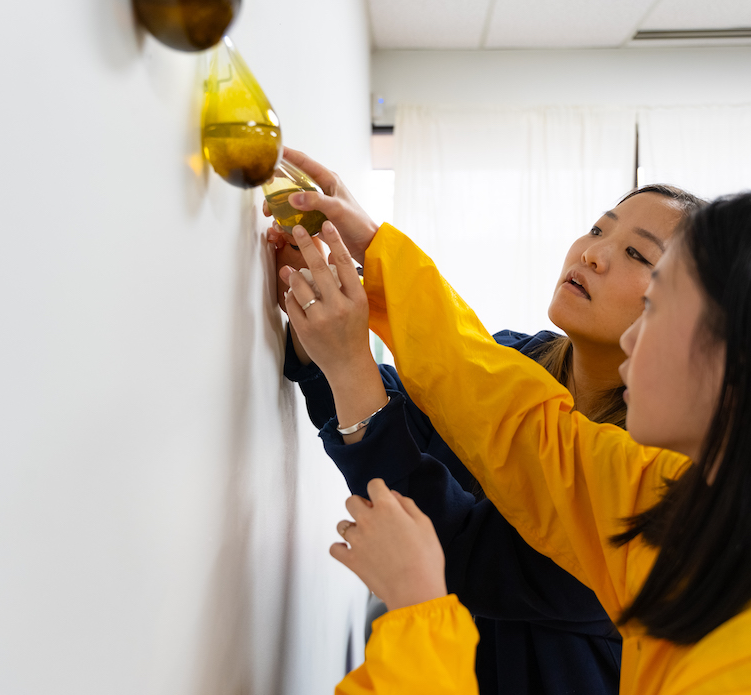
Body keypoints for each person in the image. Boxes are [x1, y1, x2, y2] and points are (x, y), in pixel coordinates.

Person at [278, 176, 751, 693]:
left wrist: (421, 617)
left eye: (657, 302)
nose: (634, 334)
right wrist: (380, 260)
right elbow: (522, 425)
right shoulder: (693, 500)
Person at [268, 151, 703, 695]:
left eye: (638, 254)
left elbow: (466, 553)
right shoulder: (521, 357)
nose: (594, 254)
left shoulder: (648, 481)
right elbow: (412, 415)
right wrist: (319, 313)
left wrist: (348, 361)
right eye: (598, 228)